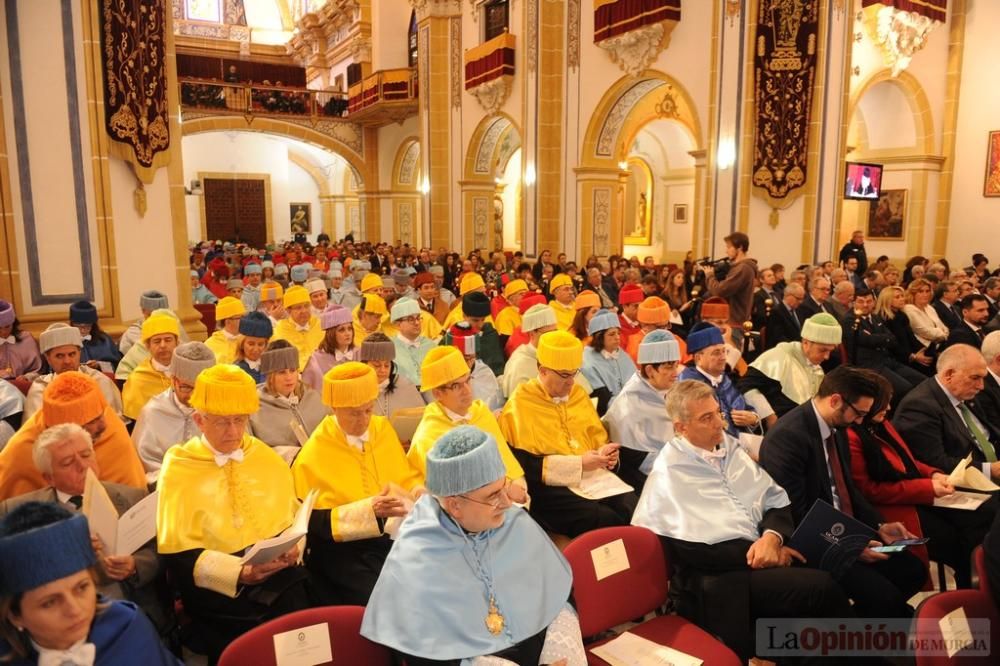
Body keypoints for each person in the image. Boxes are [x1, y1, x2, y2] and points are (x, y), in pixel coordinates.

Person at [632, 381, 854, 661]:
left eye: (718, 413)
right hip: (720, 579)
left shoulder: (729, 448)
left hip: (758, 556)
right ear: (680, 428)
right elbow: (697, 551)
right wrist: (765, 554)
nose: (719, 424)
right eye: (707, 418)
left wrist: (772, 538)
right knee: (821, 588)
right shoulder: (670, 473)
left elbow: (775, 500)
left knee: (827, 583)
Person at [361, 426, 584, 665]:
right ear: (455, 505)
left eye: (504, 487)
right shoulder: (417, 554)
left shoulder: (513, 521)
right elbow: (424, 652)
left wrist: (561, 648)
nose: (507, 503)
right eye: (493, 495)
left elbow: (558, 592)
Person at [156, 364, 311, 661]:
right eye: (222, 423)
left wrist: (294, 548)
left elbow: (293, 518)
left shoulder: (264, 456)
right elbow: (179, 553)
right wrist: (238, 574)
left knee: (299, 607)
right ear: (200, 420)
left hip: (276, 572)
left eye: (240, 421)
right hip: (220, 587)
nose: (234, 432)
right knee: (248, 639)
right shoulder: (178, 466)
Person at [759, 367, 928, 619]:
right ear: (835, 400)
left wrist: (878, 524)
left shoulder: (834, 427)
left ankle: (859, 625)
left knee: (913, 570)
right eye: (859, 413)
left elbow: (846, 488)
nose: (860, 421)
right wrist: (848, 545)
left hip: (842, 528)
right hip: (813, 538)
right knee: (885, 597)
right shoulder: (788, 437)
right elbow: (794, 511)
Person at [0, 424, 166, 631]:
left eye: (86, 455)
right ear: (48, 478)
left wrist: (135, 565)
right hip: (61, 621)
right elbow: (11, 571)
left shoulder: (131, 497)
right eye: (68, 462)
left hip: (132, 613)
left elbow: (160, 552)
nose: (82, 466)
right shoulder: (17, 511)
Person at [847, 374, 996, 589]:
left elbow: (909, 461)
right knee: (956, 537)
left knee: (986, 510)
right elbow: (870, 490)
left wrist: (934, 474)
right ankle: (972, 583)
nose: (889, 407)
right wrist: (927, 487)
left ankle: (981, 580)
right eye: (883, 403)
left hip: (916, 490)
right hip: (893, 506)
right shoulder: (853, 436)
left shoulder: (881, 424)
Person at [291, 362, 423, 605]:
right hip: (345, 553)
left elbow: (404, 476)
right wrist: (366, 512)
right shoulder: (315, 451)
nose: (363, 420)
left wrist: (416, 491)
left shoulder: (381, 429)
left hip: (393, 537)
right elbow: (311, 521)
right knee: (382, 600)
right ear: (334, 409)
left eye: (368, 410)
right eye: (353, 413)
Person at [0, 502, 179, 665]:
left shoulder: (128, 627)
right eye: (50, 602)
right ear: (15, 615)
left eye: (82, 588)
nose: (75, 610)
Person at [499, 331, 636, 537]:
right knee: (602, 518)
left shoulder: (578, 394)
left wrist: (606, 455)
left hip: (593, 477)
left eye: (574, 373)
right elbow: (525, 465)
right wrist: (578, 465)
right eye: (564, 375)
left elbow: (597, 439)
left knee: (631, 504)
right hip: (550, 488)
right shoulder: (520, 404)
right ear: (543, 370)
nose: (571, 382)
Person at [0, 372, 145, 500]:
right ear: (66, 431)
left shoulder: (110, 424)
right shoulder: (21, 453)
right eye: (92, 422)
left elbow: (133, 499)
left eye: (101, 414)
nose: (103, 425)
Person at [409, 346, 527, 495]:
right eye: (456, 386)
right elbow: (450, 490)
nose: (467, 390)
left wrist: (516, 484)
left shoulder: (481, 413)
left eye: (467, 380)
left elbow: (505, 460)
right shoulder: (429, 434)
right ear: (438, 393)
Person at [893, 344, 1000, 478]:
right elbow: (935, 462)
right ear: (949, 375)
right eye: (975, 378)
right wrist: (989, 469)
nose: (981, 386)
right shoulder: (918, 407)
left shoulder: (962, 391)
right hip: (967, 481)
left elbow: (989, 434)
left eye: (983, 378)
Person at [603, 330, 680, 493]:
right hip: (649, 479)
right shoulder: (629, 405)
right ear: (651, 370)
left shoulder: (668, 390)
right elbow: (637, 460)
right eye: (669, 366)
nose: (676, 372)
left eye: (676, 365)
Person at [132, 342, 215, 482]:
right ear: (173, 380)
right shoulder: (153, 412)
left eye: (201, 389)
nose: (193, 396)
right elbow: (144, 467)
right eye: (186, 388)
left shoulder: (220, 409)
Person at [740, 313, 843, 417]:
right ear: (806, 343)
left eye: (830, 351)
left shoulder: (817, 368)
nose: (827, 357)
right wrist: (769, 415)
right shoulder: (778, 356)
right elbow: (745, 386)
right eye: (823, 350)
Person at [249, 341, 330, 464]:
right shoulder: (255, 407)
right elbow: (255, 450)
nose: (289, 377)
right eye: (282, 372)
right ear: (270, 375)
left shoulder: (314, 397)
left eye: (292, 370)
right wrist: (291, 454)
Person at [22, 324, 123, 420]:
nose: (67, 361)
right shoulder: (41, 388)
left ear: (79, 353)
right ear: (48, 359)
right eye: (60, 356)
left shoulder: (99, 381)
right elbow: (35, 431)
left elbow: (113, 423)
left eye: (72, 354)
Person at [680, 323, 760, 439]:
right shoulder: (688, 385)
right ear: (698, 358)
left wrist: (753, 418)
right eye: (716, 353)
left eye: (724, 351)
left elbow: (746, 408)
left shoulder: (726, 379)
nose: (723, 357)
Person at [843, 288, 926, 399]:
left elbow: (893, 339)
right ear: (853, 303)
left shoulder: (875, 317)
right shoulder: (849, 320)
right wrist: (880, 339)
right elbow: (867, 340)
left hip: (887, 361)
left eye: (869, 301)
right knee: (905, 388)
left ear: (874, 302)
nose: (865, 305)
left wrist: (875, 338)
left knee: (924, 381)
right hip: (868, 366)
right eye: (861, 301)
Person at [121, 314, 179, 420]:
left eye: (168, 340)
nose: (163, 345)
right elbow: (136, 424)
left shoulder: (188, 373)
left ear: (177, 343)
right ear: (148, 346)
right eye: (157, 341)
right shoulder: (137, 380)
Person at [580, 309, 636, 415]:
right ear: (599, 337)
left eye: (618, 333)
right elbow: (601, 400)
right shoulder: (587, 361)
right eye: (611, 334)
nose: (617, 338)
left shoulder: (621, 354)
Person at [358, 333, 426, 418]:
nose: (383, 370)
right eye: (377, 365)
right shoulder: (355, 389)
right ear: (364, 365)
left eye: (387, 365)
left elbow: (421, 418)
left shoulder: (404, 385)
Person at [704, 232, 756, 334]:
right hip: (733, 323)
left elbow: (719, 291)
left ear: (739, 248)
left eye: (729, 247)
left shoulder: (743, 268)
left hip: (734, 324)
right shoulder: (740, 267)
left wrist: (709, 275)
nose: (726, 251)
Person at [271, 285, 324, 371]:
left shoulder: (321, 325)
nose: (304, 311)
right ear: (288, 310)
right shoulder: (279, 331)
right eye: (298, 307)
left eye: (306, 306)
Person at [68, 301, 122, 371]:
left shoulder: (104, 340)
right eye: (79, 327)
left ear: (93, 325)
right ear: (72, 325)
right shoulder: (66, 341)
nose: (83, 330)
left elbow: (117, 366)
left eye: (87, 327)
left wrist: (98, 365)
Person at [117, 291, 169, 357]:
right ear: (143, 311)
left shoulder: (173, 326)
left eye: (162, 315)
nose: (157, 319)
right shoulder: (134, 332)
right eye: (152, 315)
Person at [0, 301, 41, 381]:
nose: (3, 332)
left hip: (24, 388)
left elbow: (39, 370)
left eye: (7, 327)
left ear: (13, 323)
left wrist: (26, 377)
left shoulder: (27, 339)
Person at [902, 278, 949, 348]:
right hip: (923, 348)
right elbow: (926, 332)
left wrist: (942, 333)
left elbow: (944, 328)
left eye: (927, 291)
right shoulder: (908, 309)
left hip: (940, 345)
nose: (925, 294)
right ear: (913, 293)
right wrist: (942, 334)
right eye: (921, 291)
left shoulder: (929, 308)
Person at [233, 311, 273, 384]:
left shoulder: (272, 368)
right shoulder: (236, 371)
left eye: (260, 344)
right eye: (251, 344)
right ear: (242, 344)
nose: (256, 349)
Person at [204, 297, 246, 364]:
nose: (245, 321)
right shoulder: (211, 344)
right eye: (240, 318)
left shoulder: (248, 340)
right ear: (228, 321)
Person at [763, 282, 804, 349]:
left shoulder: (799, 310)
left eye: (802, 299)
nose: (801, 302)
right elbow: (778, 337)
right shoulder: (776, 312)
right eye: (798, 298)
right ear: (788, 296)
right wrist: (796, 347)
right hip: (783, 350)